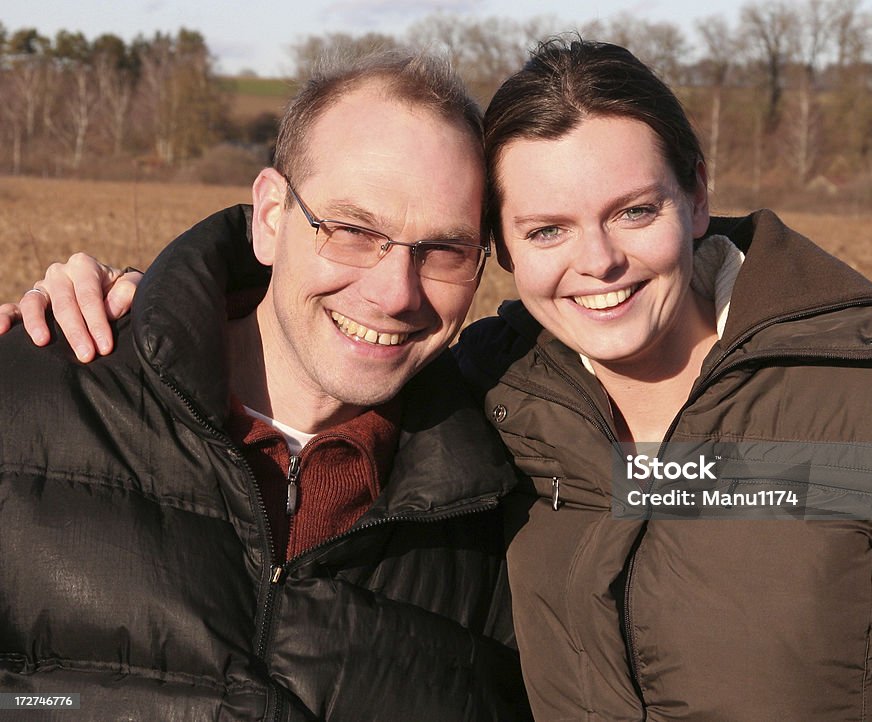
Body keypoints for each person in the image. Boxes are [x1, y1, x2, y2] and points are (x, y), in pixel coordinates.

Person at [6, 39, 872, 721]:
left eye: (633, 210)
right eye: (543, 230)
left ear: (698, 194)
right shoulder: (506, 402)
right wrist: (140, 310)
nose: (598, 262)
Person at [0, 49, 532, 720]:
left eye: (444, 251)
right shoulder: (32, 402)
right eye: (352, 230)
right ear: (271, 216)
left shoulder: (504, 514)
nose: (395, 292)